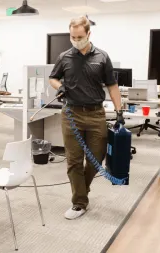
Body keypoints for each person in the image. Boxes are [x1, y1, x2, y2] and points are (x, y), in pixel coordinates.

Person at [49, 16, 124, 220]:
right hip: (71, 113)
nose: (75, 40)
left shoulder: (102, 57)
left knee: (95, 159)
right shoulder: (64, 56)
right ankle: (79, 203)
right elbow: (53, 78)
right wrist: (60, 87)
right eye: (72, 36)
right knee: (73, 161)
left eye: (79, 36)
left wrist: (119, 111)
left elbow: (112, 86)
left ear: (89, 34)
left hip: (96, 114)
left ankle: (82, 189)